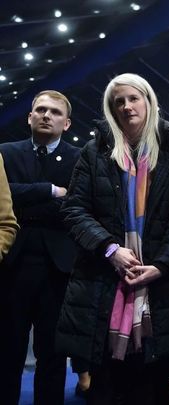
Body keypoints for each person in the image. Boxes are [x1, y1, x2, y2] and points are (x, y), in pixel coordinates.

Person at [56, 73, 169, 405]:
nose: (126, 106)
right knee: (106, 388)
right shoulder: (94, 153)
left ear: (148, 102)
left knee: (155, 387)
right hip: (102, 284)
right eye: (118, 101)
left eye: (133, 98)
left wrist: (161, 265)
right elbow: (74, 210)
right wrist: (109, 249)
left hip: (160, 289)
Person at [0, 90, 79, 405]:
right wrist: (49, 191)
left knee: (53, 355)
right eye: (41, 110)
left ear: (67, 123)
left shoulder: (81, 157)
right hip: (11, 264)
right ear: (29, 116)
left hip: (58, 269)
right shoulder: (4, 152)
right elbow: (4, 199)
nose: (47, 116)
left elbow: (77, 206)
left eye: (55, 112)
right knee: (6, 353)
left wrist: (25, 199)